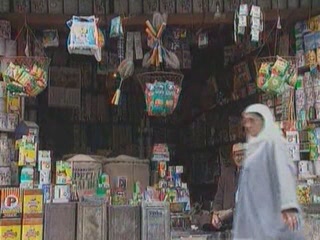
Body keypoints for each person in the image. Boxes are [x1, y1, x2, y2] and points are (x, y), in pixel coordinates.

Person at [233, 103, 304, 240]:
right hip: (254, 217)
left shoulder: (273, 144)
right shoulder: (253, 149)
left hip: (272, 216)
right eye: (246, 121)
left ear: (263, 121)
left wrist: (288, 205)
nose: (247, 125)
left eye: (252, 120)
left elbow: (284, 174)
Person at [211, 143, 245, 230]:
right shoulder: (226, 175)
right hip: (228, 227)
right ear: (233, 157)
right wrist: (215, 215)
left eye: (242, 154)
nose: (239, 157)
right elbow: (218, 199)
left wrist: (230, 212)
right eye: (236, 155)